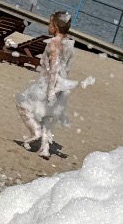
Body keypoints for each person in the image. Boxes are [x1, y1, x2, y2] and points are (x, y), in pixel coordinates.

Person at [17, 11, 79, 159]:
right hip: (62, 87)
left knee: (22, 105)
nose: (48, 26)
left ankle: (36, 132)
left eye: (49, 24)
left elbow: (54, 68)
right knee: (48, 117)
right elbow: (66, 67)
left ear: (55, 26)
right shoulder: (69, 44)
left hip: (48, 85)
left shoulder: (54, 43)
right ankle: (45, 149)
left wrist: (50, 90)